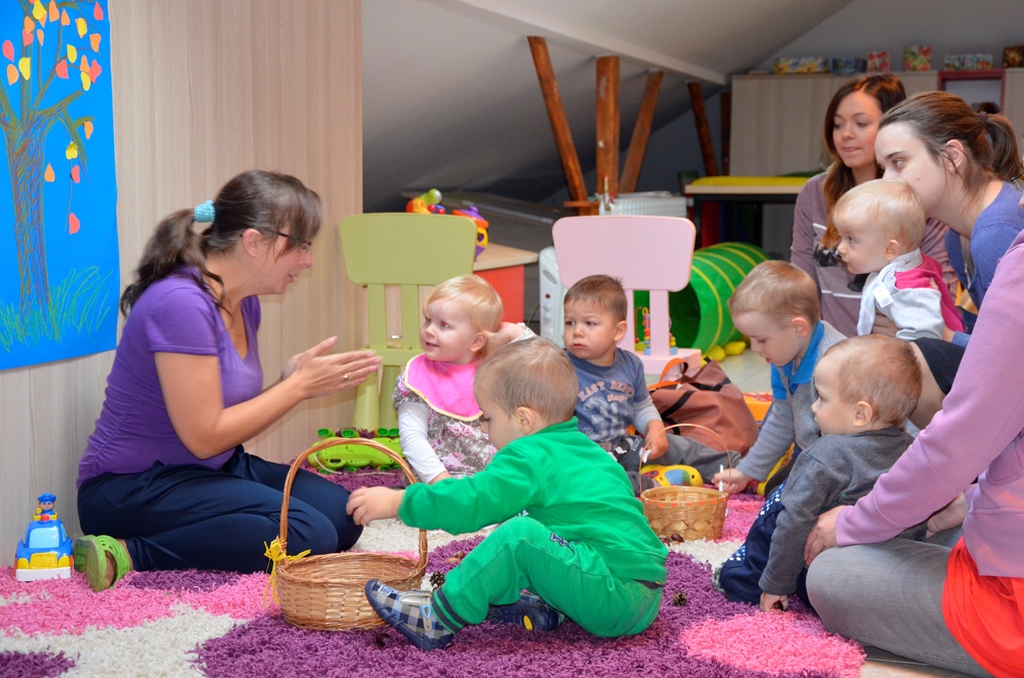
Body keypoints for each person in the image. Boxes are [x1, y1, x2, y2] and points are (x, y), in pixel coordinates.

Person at [74, 170, 381, 593]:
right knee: (309, 532)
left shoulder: (243, 302)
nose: (307, 261)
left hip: (209, 469)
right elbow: (204, 437)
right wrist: (297, 388)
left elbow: (223, 419)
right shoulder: (180, 303)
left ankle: (190, 535)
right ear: (253, 242)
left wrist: (287, 382)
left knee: (344, 516)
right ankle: (130, 553)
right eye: (301, 245)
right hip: (132, 488)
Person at [346, 337, 667, 651]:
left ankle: (436, 618)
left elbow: (471, 502)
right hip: (642, 595)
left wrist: (399, 501)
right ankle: (540, 605)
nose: (484, 429)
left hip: (613, 595)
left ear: (524, 420)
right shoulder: (591, 451)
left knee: (520, 536)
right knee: (530, 537)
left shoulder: (529, 456)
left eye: (488, 417)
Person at [802, 229, 1024, 678]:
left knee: (830, 573)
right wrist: (970, 500)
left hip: (1011, 604)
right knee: (921, 530)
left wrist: (853, 522)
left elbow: (958, 441)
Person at [716, 335, 924, 611]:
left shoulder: (824, 454)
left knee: (781, 504)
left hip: (820, 572)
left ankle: (741, 579)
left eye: (822, 399)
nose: (813, 407)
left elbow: (792, 526)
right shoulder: (913, 451)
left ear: (861, 414)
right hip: (884, 576)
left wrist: (776, 584)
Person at [874, 91, 1024, 428]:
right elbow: (998, 331)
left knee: (917, 358)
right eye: (882, 168)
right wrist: (931, 315)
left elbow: (1012, 360)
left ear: (952, 157)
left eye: (898, 163)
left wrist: (939, 332)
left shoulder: (995, 234)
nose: (886, 181)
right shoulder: (957, 238)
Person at [790, 74, 953, 338]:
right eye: (837, 124)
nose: (846, 134)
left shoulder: (915, 198)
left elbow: (940, 288)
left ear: (893, 128)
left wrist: (906, 330)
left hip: (895, 349)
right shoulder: (814, 193)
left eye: (861, 123)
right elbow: (801, 282)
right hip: (831, 348)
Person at [562, 275, 739, 485]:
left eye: (590, 323)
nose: (577, 331)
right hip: (580, 459)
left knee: (679, 446)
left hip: (622, 449)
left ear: (618, 331)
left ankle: (739, 469)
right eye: (569, 323)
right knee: (592, 482)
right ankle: (651, 483)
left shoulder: (631, 365)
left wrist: (654, 429)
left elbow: (641, 406)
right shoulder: (559, 365)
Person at [712, 261, 846, 495]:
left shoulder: (836, 363)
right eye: (750, 340)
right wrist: (747, 471)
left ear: (798, 328)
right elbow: (782, 417)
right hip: (810, 454)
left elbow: (851, 444)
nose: (755, 348)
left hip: (843, 462)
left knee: (789, 502)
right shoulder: (783, 357)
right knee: (776, 491)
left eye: (761, 340)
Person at [393, 274, 512, 484]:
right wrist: (442, 483)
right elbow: (413, 439)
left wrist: (516, 331)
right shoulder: (417, 379)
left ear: (476, 341)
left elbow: (538, 363)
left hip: (490, 478)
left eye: (443, 324)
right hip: (439, 480)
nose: (429, 330)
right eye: (428, 319)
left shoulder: (491, 370)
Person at [831, 178, 964, 340]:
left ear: (890, 249)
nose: (840, 248)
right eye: (841, 237)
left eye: (851, 239)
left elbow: (924, 341)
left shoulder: (908, 288)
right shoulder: (909, 268)